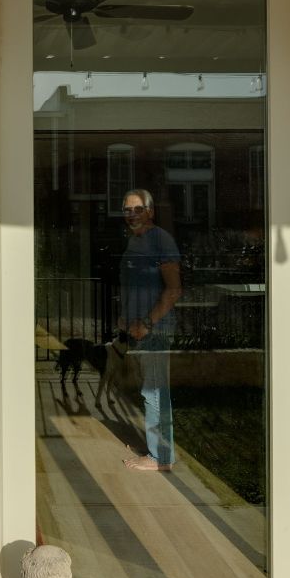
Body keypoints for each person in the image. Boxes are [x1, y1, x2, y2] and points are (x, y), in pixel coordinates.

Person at [118, 189, 182, 472]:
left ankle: (161, 458)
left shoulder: (160, 240)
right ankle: (159, 451)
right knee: (151, 390)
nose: (131, 214)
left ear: (151, 211)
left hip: (154, 329)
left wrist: (147, 323)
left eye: (137, 208)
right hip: (140, 329)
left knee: (154, 392)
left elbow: (174, 289)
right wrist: (126, 317)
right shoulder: (135, 241)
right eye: (127, 209)